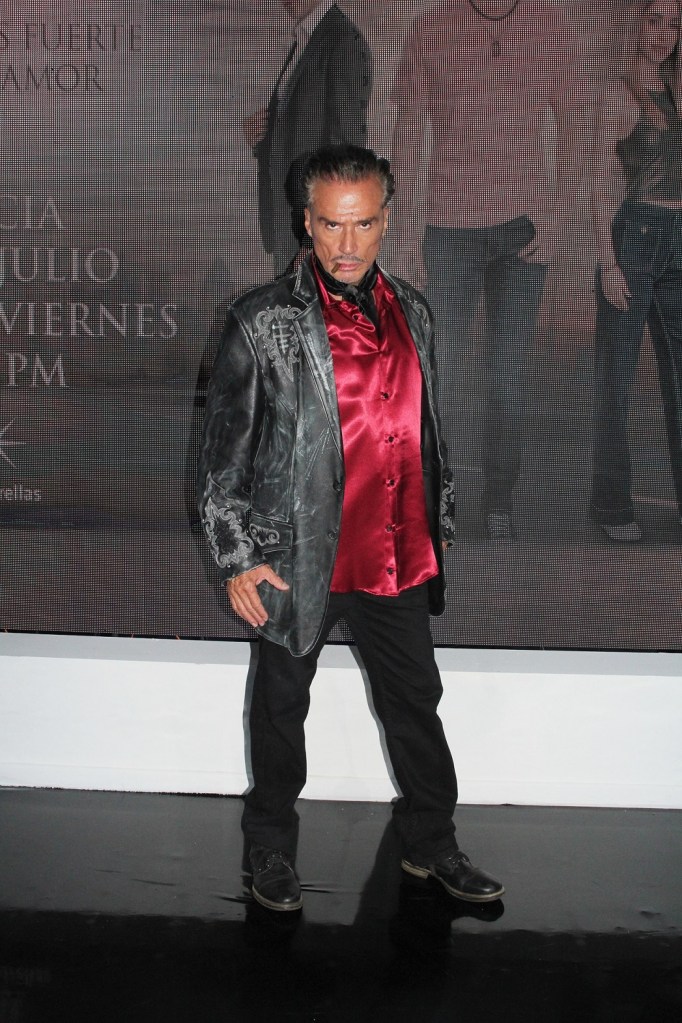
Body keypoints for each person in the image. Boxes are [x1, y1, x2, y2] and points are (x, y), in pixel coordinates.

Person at [198, 145, 504, 912]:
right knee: (280, 710)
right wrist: (236, 557)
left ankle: (432, 844)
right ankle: (270, 849)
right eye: (331, 224)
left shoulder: (415, 310)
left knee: (416, 703)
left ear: (385, 221)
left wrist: (437, 521)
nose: (346, 243)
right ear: (306, 221)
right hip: (296, 556)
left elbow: (427, 429)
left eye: (363, 223)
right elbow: (222, 458)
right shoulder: (261, 320)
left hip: (395, 554)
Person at [390, 0, 579, 540]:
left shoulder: (549, 24)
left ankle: (499, 503)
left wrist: (553, 218)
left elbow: (573, 130)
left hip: (523, 233)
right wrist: (403, 229)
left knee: (506, 376)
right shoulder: (432, 26)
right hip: (449, 230)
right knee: (441, 372)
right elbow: (407, 133)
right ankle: (438, 500)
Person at [590, 0, 682, 540]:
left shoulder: (676, 87)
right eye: (654, 19)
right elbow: (601, 178)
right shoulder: (617, 90)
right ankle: (611, 507)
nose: (663, 32)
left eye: (674, 23)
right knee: (616, 383)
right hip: (633, 234)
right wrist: (608, 259)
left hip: (678, 237)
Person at [243, 1, 372, 276]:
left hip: (314, 241)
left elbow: (346, 156)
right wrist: (261, 142)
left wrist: (316, 239)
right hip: (290, 228)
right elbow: (299, 136)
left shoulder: (343, 41)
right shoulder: (306, 39)